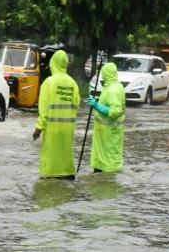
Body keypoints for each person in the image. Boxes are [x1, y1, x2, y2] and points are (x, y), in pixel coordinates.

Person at [32, 50, 80, 179]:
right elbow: (76, 105)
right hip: (68, 128)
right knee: (65, 153)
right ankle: (68, 174)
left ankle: (50, 176)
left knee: (50, 155)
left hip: (52, 128)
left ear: (53, 63)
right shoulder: (73, 83)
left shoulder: (49, 82)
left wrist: (38, 128)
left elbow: (44, 108)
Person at [85, 62, 126, 173]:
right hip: (105, 135)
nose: (102, 78)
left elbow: (115, 112)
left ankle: (108, 182)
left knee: (109, 165)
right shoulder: (114, 86)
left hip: (109, 135)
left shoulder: (113, 90)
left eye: (103, 75)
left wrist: (96, 105)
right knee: (103, 163)